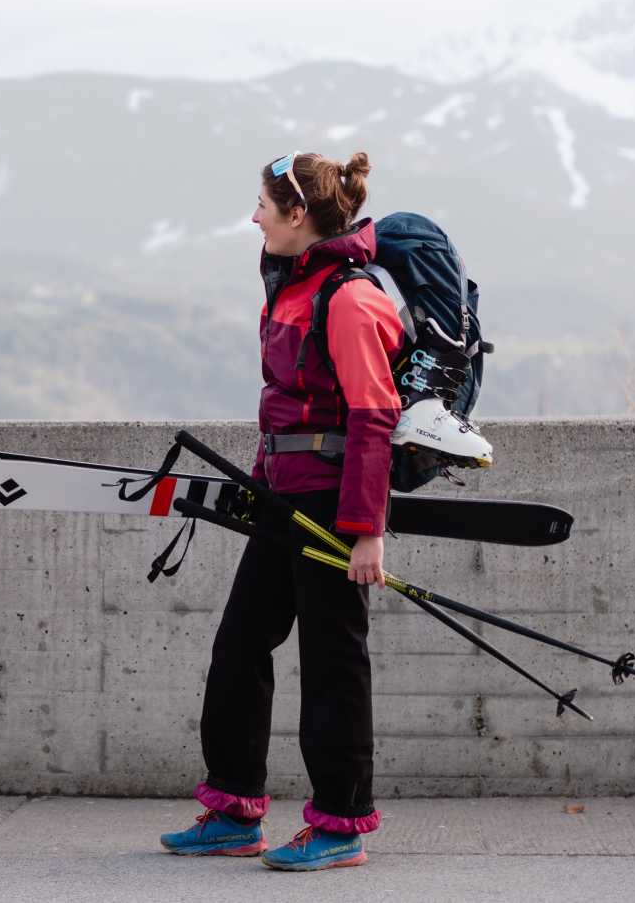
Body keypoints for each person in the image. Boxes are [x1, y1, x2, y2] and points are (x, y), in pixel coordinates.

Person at [159, 150, 404, 872]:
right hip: (282, 494)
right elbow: (284, 408)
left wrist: (366, 529)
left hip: (332, 502)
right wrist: (260, 483)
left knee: (332, 661)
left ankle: (340, 824)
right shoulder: (291, 287)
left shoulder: (350, 299)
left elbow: (372, 415)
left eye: (263, 204)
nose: (254, 215)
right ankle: (234, 809)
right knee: (240, 644)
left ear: (299, 214)